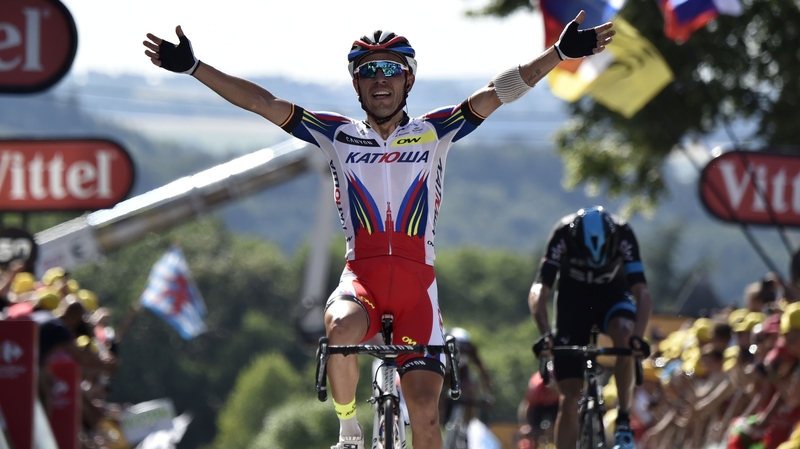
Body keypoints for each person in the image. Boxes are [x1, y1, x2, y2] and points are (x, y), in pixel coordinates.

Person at [143, 12, 615, 449]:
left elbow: (500, 90)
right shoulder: (337, 135)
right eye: (368, 71)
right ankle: (349, 427)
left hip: (417, 290)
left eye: (390, 69)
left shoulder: (436, 131)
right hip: (361, 280)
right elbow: (263, 102)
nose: (380, 80)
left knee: (427, 411)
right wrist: (195, 67)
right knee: (340, 328)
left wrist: (558, 53)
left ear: (408, 78)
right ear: (356, 83)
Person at [529, 206, 653, 449]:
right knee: (569, 398)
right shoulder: (563, 233)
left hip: (613, 297)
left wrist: (638, 338)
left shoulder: (622, 233)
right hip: (572, 305)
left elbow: (643, 294)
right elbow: (538, 291)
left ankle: (623, 421)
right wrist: (545, 335)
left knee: (625, 337)